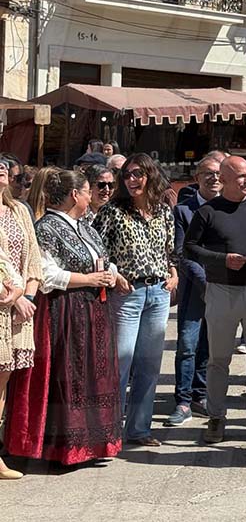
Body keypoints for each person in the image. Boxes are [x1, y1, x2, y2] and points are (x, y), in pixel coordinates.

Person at [22, 170, 122, 465]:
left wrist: (111, 273)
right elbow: (46, 273)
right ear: (74, 194)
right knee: (71, 375)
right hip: (66, 310)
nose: (92, 196)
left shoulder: (85, 227)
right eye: (89, 190)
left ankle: (94, 443)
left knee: (94, 375)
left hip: (94, 309)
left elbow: (102, 259)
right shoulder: (47, 227)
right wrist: (89, 279)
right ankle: (65, 448)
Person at [185, 157, 246, 443]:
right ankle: (216, 418)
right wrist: (221, 259)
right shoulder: (208, 212)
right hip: (221, 291)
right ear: (224, 179)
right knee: (218, 359)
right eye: (241, 176)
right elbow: (189, 248)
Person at [93, 153, 179, 447]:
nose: (132, 180)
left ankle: (139, 429)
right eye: (127, 175)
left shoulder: (163, 211)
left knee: (149, 365)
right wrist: (114, 275)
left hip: (159, 293)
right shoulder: (112, 211)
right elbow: (96, 251)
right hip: (127, 294)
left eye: (138, 174)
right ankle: (109, 432)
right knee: (120, 363)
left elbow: (170, 250)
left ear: (150, 176)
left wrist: (174, 273)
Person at [164, 156, 221, 427]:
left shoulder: (228, 208)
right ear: (197, 178)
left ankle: (200, 395)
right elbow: (181, 252)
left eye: (218, 173)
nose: (214, 178)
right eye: (208, 173)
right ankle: (183, 401)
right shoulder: (183, 211)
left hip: (222, 290)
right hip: (194, 290)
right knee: (187, 345)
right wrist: (205, 281)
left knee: (209, 346)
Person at [0, 155, 39, 480]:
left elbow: (34, 259)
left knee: (2, 385)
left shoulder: (19, 210)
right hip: (4, 304)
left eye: (3, 166)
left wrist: (27, 295)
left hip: (17, 312)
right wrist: (12, 296)